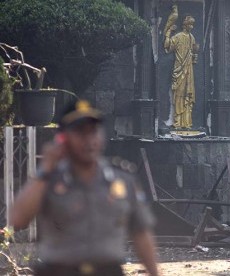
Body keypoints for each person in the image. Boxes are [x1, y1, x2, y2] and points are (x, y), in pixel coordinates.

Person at [10, 99, 160, 276]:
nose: (89, 140)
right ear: (63, 138)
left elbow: (141, 233)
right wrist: (46, 169)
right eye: (81, 133)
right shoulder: (48, 181)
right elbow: (18, 220)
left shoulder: (123, 181)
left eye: (93, 132)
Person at [164, 14, 198, 129]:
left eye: (193, 25)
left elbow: (193, 51)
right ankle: (178, 120)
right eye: (190, 24)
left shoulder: (191, 37)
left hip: (189, 69)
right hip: (179, 69)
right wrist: (168, 33)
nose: (192, 27)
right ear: (185, 25)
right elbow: (168, 47)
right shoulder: (178, 37)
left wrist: (194, 56)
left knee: (188, 93)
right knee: (178, 93)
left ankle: (187, 121)